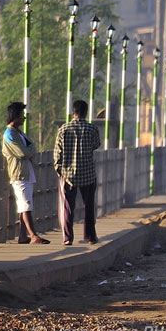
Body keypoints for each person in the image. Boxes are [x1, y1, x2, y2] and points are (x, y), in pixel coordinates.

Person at [54, 99, 102, 246]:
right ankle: (90, 237)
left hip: (68, 175)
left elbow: (57, 153)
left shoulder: (63, 129)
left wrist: (59, 169)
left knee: (68, 207)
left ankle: (68, 238)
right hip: (88, 173)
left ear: (72, 113)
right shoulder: (92, 129)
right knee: (88, 206)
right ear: (86, 113)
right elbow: (96, 145)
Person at [2, 102, 49, 244]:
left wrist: (30, 150)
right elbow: (23, 152)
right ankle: (33, 235)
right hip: (19, 174)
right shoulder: (9, 134)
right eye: (22, 115)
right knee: (25, 205)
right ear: (15, 116)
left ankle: (23, 236)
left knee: (25, 205)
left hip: (27, 173)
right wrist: (30, 151)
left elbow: (31, 147)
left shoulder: (19, 133)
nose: (24, 118)